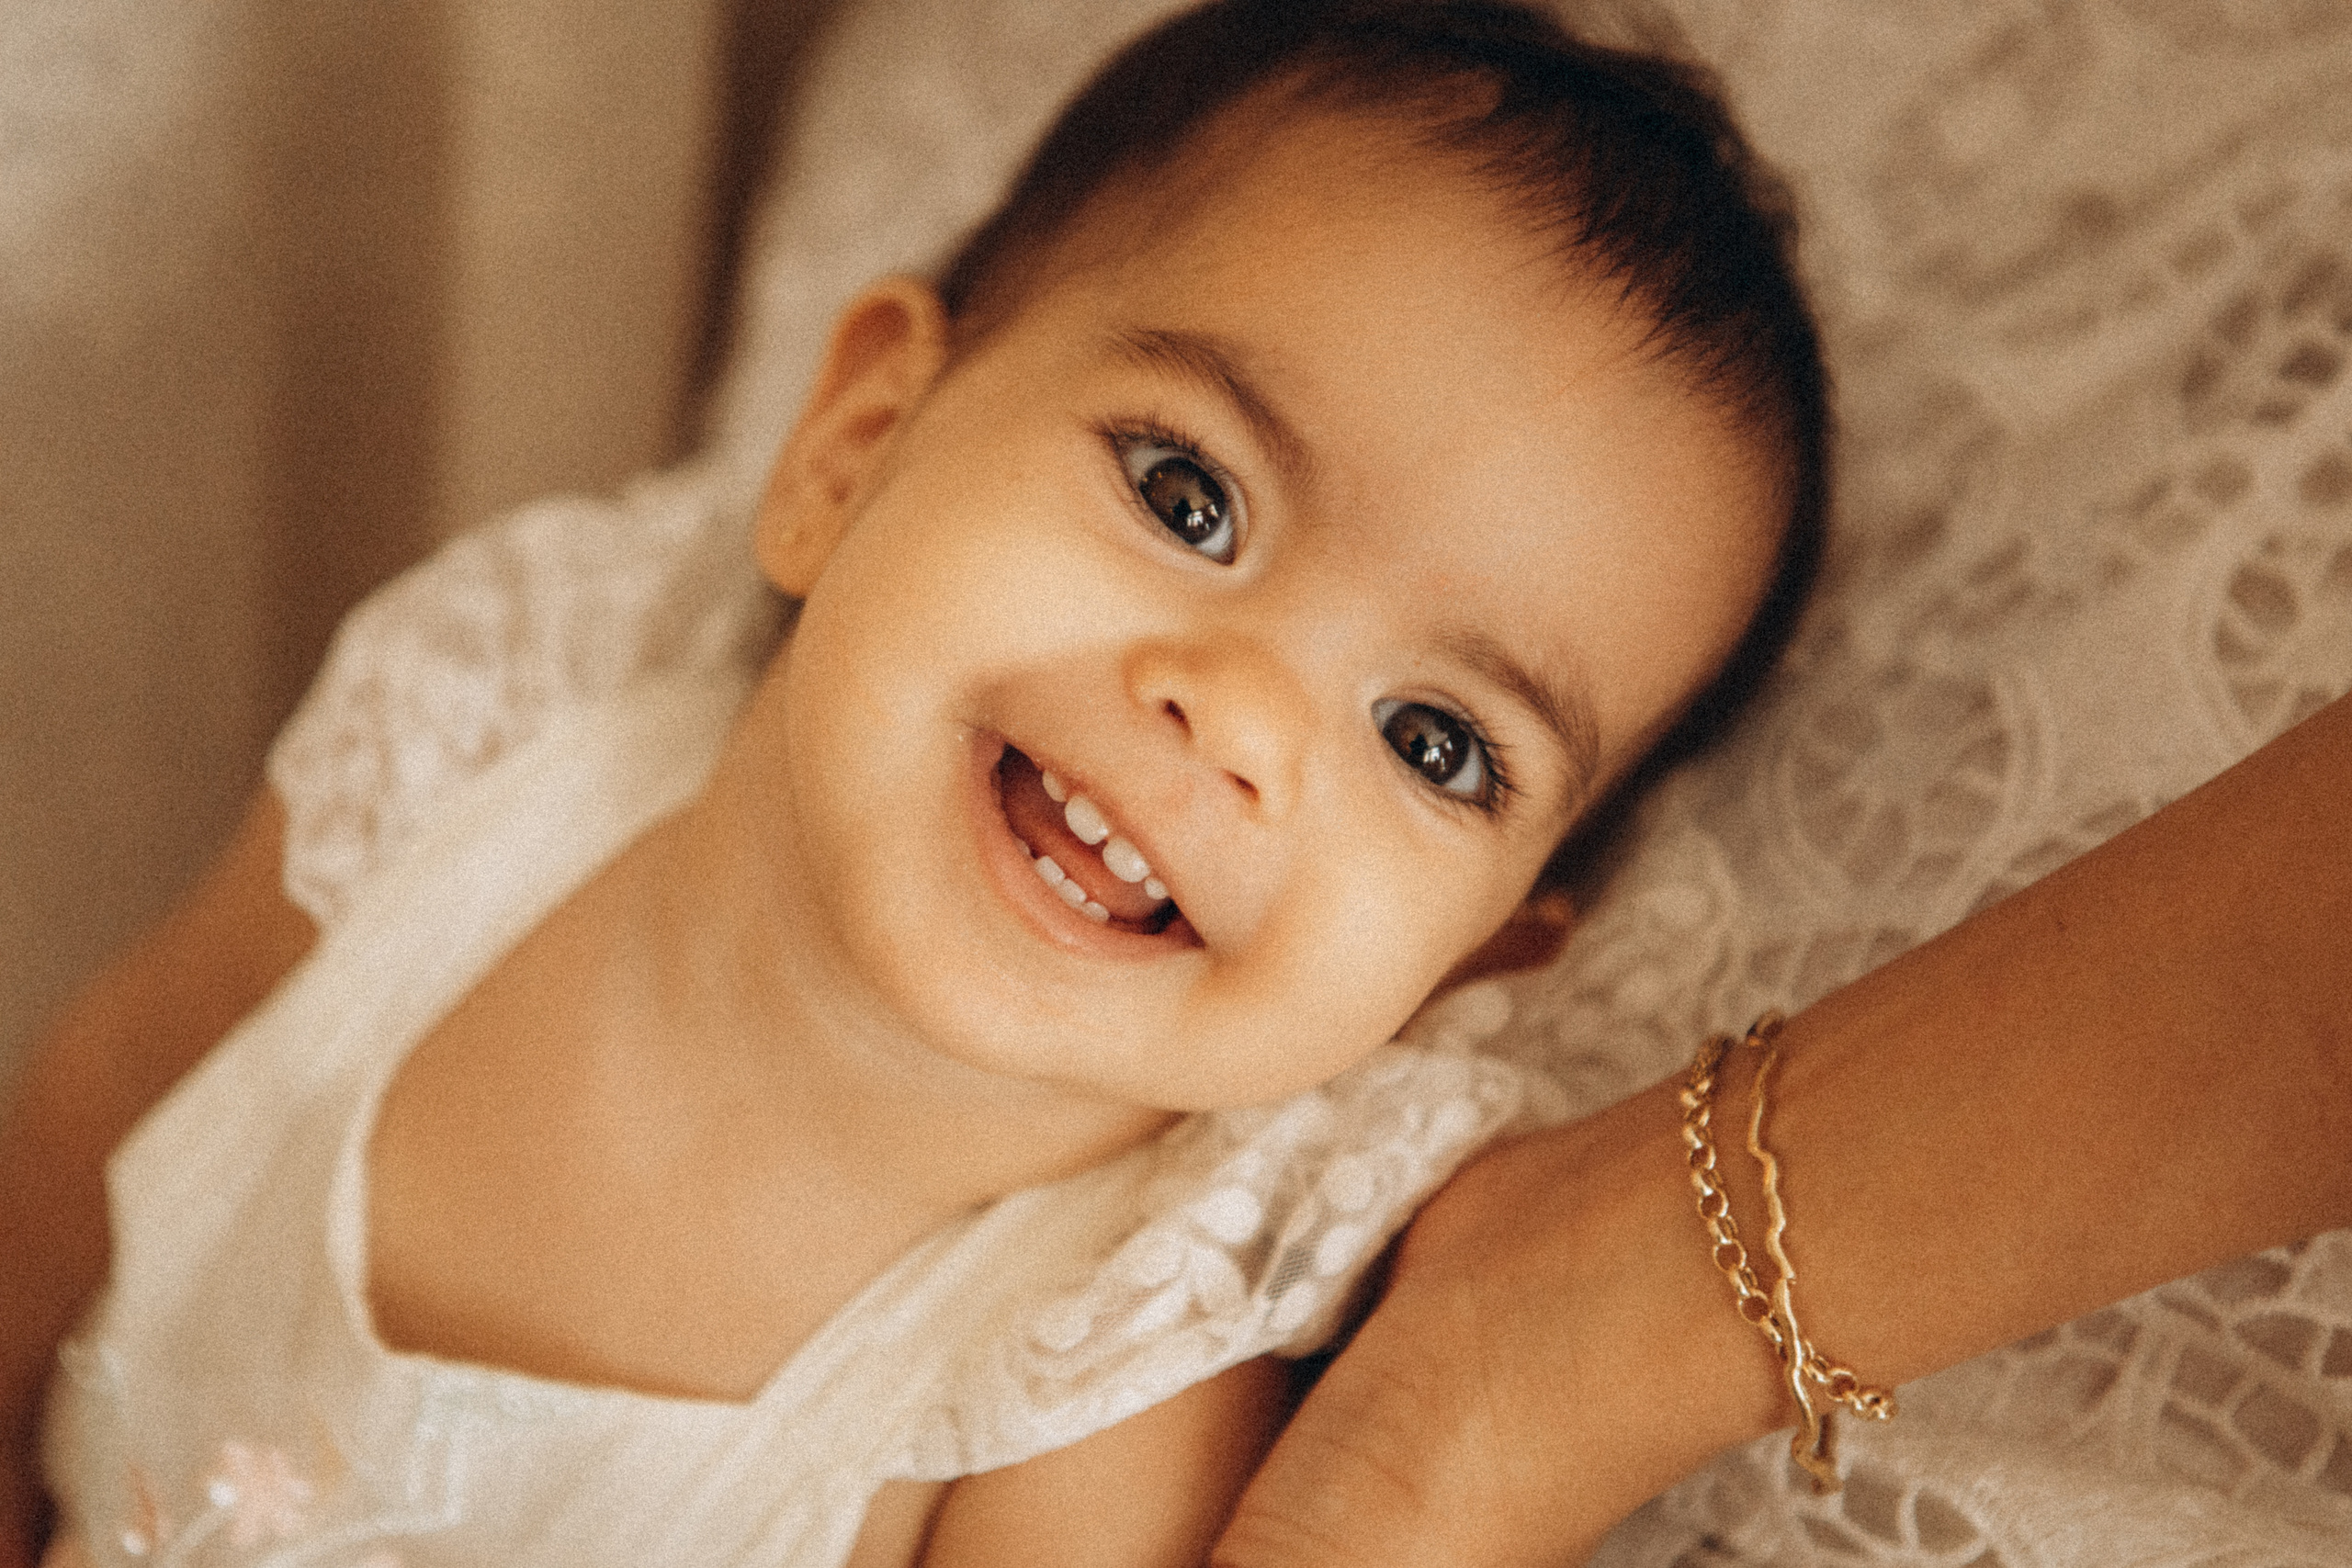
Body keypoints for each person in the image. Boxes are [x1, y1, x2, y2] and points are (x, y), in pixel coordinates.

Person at [0, 3, 1831, 1565]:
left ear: (1455, 967)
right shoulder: (479, 751)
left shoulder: (1080, 1385)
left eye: (1432, 741)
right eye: (1186, 497)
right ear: (857, 440)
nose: (1241, 713)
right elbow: (103, 1092)